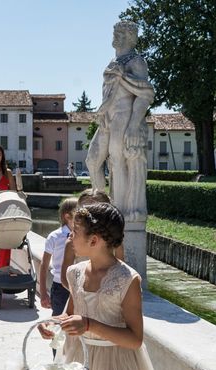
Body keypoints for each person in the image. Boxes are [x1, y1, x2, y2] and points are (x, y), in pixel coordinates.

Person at [38, 203, 176, 370]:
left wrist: (90, 325)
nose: (69, 238)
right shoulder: (74, 273)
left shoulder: (128, 280)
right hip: (80, 365)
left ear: (94, 240)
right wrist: (55, 324)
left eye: (74, 232)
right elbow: (72, 313)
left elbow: (135, 339)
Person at [85, 20, 154, 223]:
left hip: (124, 118)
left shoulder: (136, 62)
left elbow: (145, 95)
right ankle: (101, 206)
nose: (116, 37)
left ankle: (118, 211)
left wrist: (133, 124)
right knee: (92, 160)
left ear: (131, 38)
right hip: (108, 119)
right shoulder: (112, 63)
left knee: (117, 162)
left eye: (121, 34)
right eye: (115, 32)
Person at [60, 189, 124, 291]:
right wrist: (79, 295)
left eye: (95, 209)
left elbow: (120, 270)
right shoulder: (72, 243)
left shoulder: (114, 242)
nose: (91, 215)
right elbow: (64, 277)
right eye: (86, 209)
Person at [39, 197, 77, 316]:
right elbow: (44, 265)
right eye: (79, 211)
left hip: (79, 286)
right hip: (60, 287)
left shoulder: (85, 236)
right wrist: (43, 293)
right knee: (58, 321)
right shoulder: (54, 237)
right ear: (67, 216)